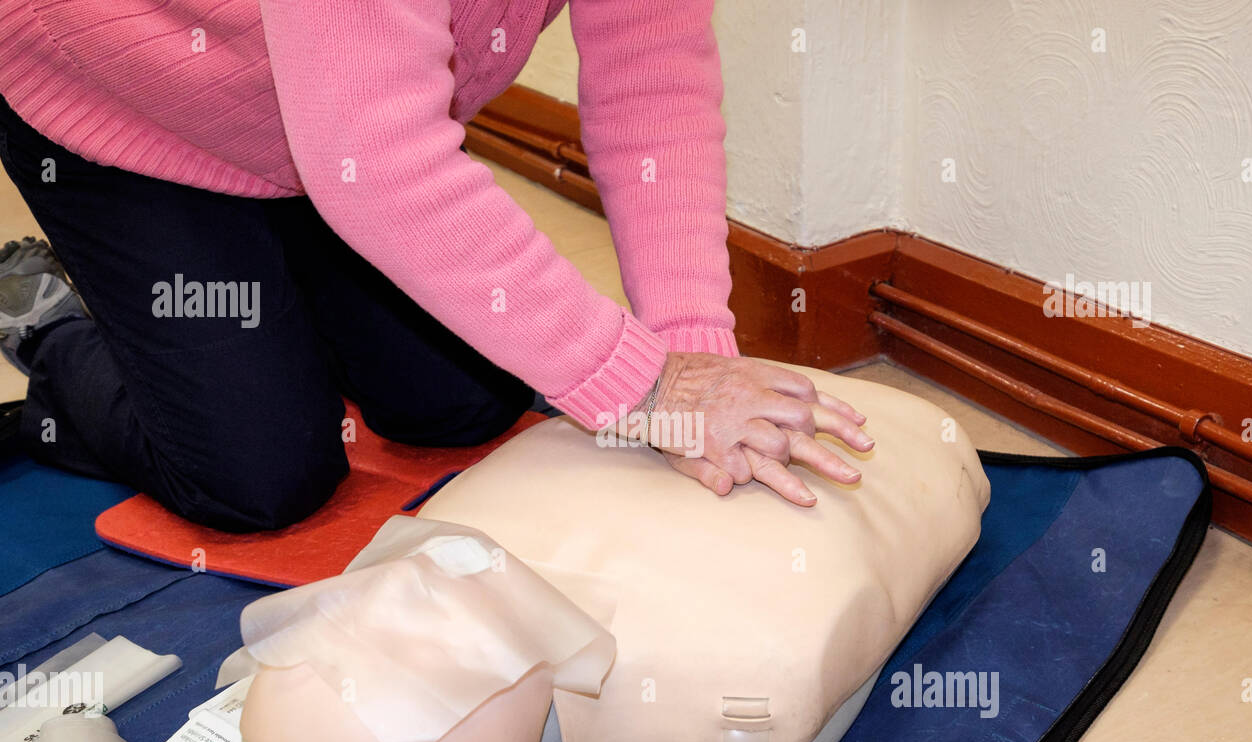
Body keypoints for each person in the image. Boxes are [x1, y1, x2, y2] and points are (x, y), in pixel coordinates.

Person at [0, 0, 873, 532]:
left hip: (331, 130)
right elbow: (380, 160)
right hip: (128, 98)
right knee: (263, 479)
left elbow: (654, 90)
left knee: (463, 406)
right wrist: (645, 390)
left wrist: (693, 359)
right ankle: (52, 325)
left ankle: (281, 280)